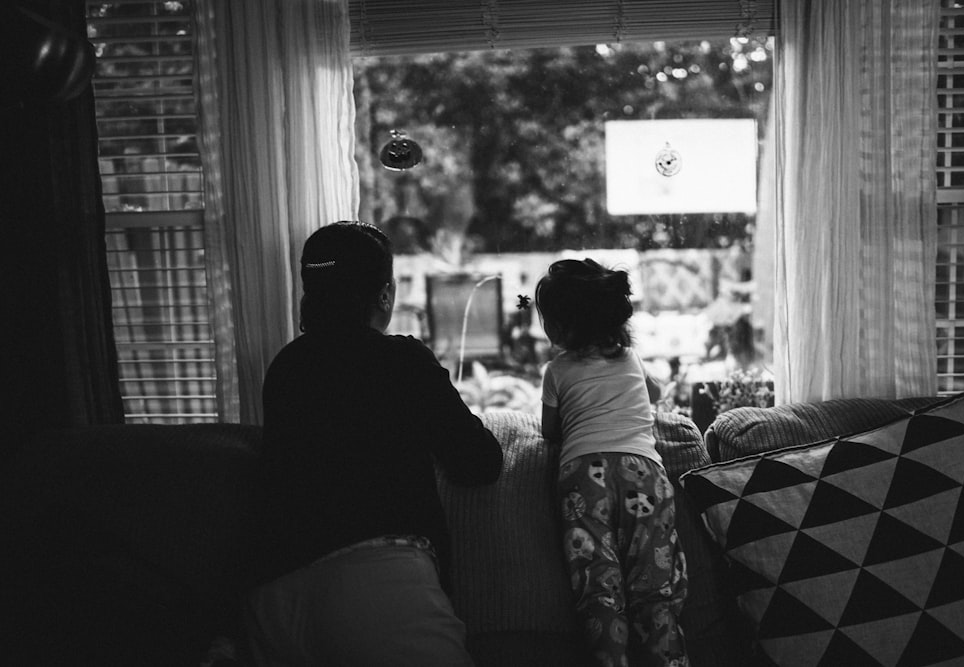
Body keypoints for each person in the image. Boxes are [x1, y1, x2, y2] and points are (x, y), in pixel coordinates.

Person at [244, 221, 503, 666]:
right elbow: (477, 462)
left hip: (273, 600)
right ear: (385, 295)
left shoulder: (285, 366)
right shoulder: (401, 359)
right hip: (376, 587)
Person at [535, 258, 688, 667]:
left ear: (563, 328)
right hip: (645, 475)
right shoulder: (631, 360)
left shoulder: (557, 370)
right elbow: (655, 395)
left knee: (598, 589)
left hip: (584, 477)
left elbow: (551, 431)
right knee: (655, 592)